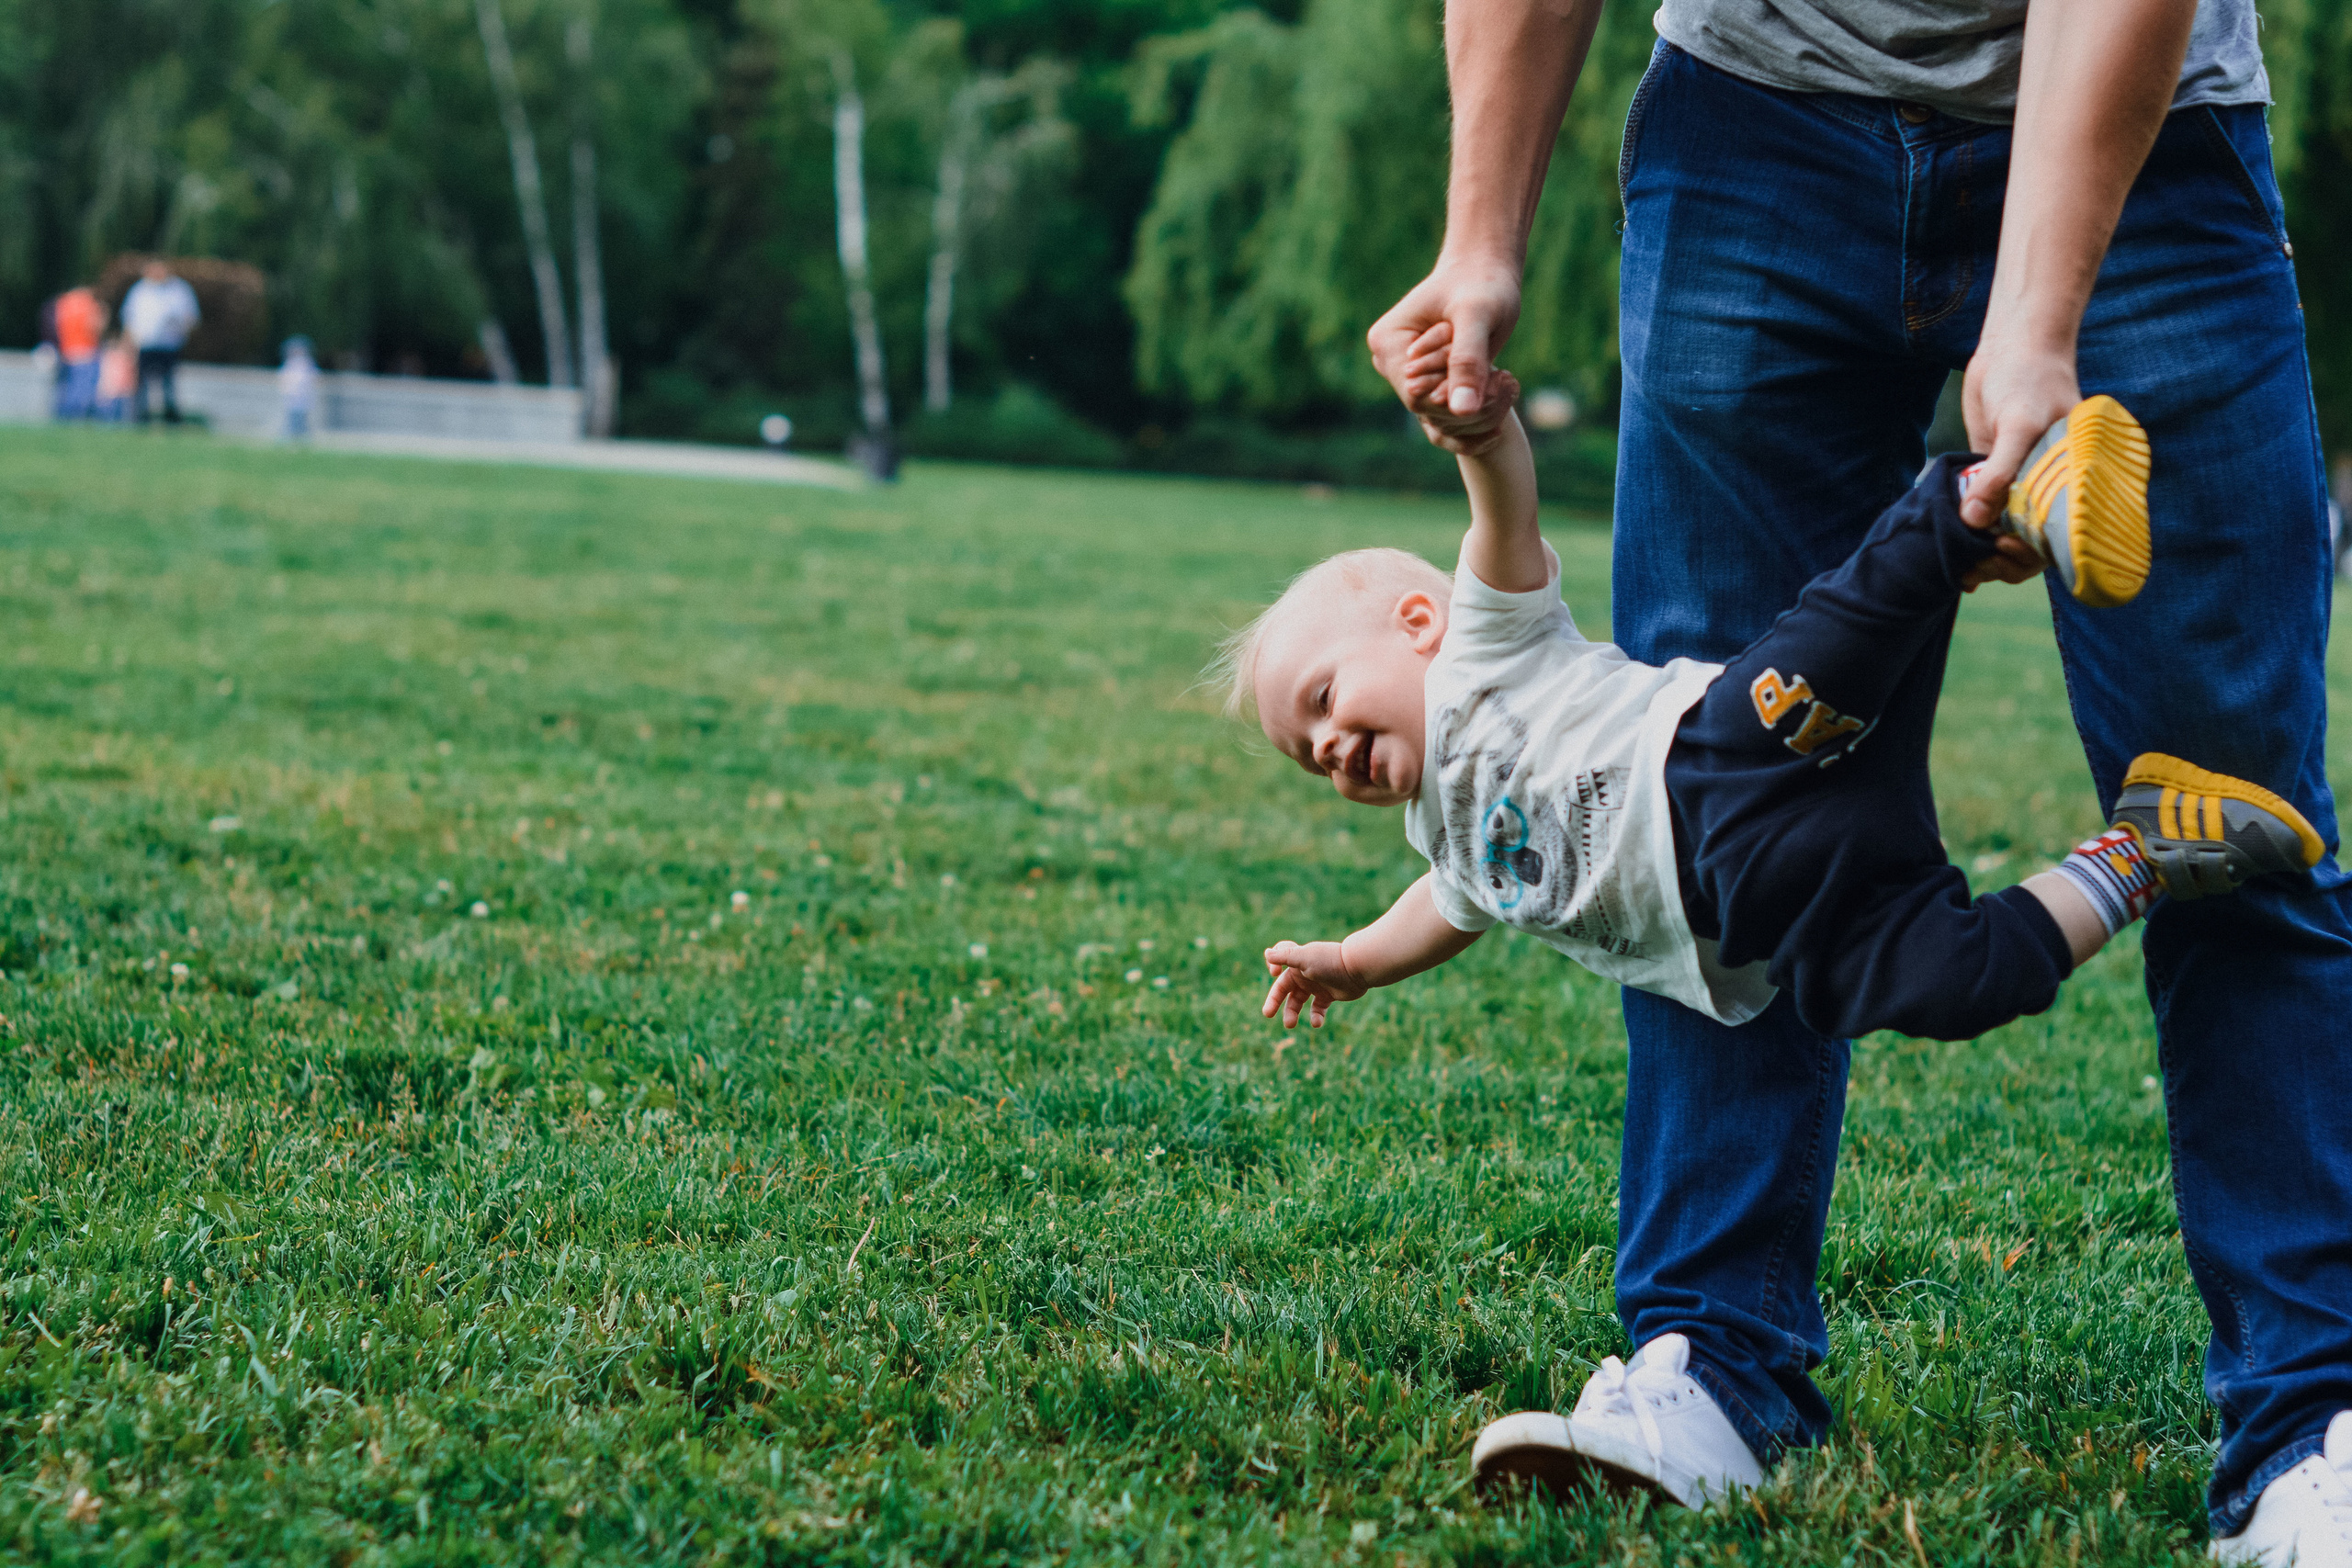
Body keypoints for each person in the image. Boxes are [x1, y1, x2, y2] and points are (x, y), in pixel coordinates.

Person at [1366, 0, 2352, 1559]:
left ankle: (2312, 1426)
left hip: (2148, 138)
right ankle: (1713, 1364)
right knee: (1705, 806)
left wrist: (2036, 315)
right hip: (1753, 124)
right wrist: (1478, 237)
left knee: (2242, 809)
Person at [121, 260, 200, 424]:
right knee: (142, 382)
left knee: (168, 383)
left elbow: (191, 317)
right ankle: (140, 417)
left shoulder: (179, 290)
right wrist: (128, 342)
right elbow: (129, 317)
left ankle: (170, 417)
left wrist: (181, 331)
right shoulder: (139, 290)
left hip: (169, 345)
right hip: (145, 344)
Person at [49, 286, 106, 421]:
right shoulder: (89, 304)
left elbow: (55, 326)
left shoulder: (63, 303)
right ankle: (78, 417)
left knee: (68, 388)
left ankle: (63, 417)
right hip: (87, 350)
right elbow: (94, 326)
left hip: (68, 350)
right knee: (83, 389)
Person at [277, 336, 319, 438]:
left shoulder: (306, 364)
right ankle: (293, 437)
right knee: (292, 420)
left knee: (301, 421)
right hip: (292, 398)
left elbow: (311, 379)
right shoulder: (290, 364)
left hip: (303, 398)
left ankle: (301, 438)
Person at [93, 332, 137, 423]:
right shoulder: (109, 356)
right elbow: (105, 374)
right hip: (112, 391)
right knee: (109, 416)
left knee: (125, 416)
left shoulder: (128, 357)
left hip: (124, 390)